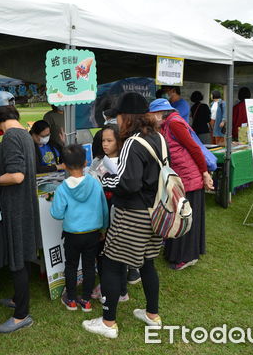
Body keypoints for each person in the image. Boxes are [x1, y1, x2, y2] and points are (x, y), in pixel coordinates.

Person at [82, 92, 165, 339]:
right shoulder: (158, 137)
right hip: (154, 212)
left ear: (126, 117)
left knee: (111, 263)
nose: (116, 121)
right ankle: (152, 315)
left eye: (117, 116)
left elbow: (128, 183)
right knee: (148, 262)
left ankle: (108, 323)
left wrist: (107, 179)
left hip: (132, 214)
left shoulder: (132, 142)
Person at [0, 91, 40, 334]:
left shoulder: (12, 136)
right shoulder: (22, 134)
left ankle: (21, 314)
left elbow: (16, 175)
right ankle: (18, 298)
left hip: (15, 207)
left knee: (17, 260)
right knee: (21, 256)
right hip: (24, 203)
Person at [148, 99, 214, 270]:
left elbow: (194, 148)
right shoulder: (167, 124)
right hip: (181, 177)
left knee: (186, 217)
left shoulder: (175, 124)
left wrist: (204, 172)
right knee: (179, 215)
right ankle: (178, 253)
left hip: (189, 178)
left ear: (158, 114)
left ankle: (187, 256)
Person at [50, 144, 108, 312]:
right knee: (90, 266)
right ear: (85, 163)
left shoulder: (62, 189)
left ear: (65, 166)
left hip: (72, 234)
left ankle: (71, 299)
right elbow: (104, 209)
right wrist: (103, 229)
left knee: (71, 265)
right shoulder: (95, 183)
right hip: (93, 234)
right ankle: (86, 299)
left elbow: (57, 214)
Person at [90, 124, 139, 299]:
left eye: (109, 140)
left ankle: (119, 290)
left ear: (120, 142)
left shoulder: (126, 164)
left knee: (115, 255)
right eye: (103, 140)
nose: (105, 144)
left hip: (117, 215)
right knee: (104, 255)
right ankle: (110, 286)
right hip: (102, 214)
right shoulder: (99, 162)